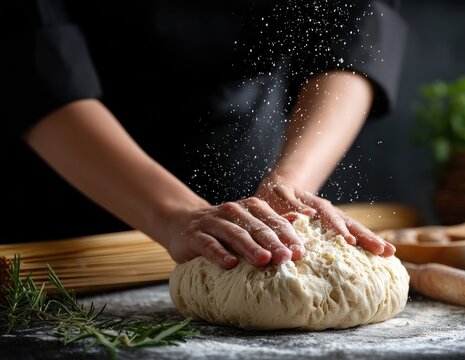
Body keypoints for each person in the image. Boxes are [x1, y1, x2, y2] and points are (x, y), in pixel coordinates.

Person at [0, 0, 407, 269]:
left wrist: (290, 184)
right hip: (71, 209)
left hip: (248, 145)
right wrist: (172, 214)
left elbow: (355, 35)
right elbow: (34, 59)